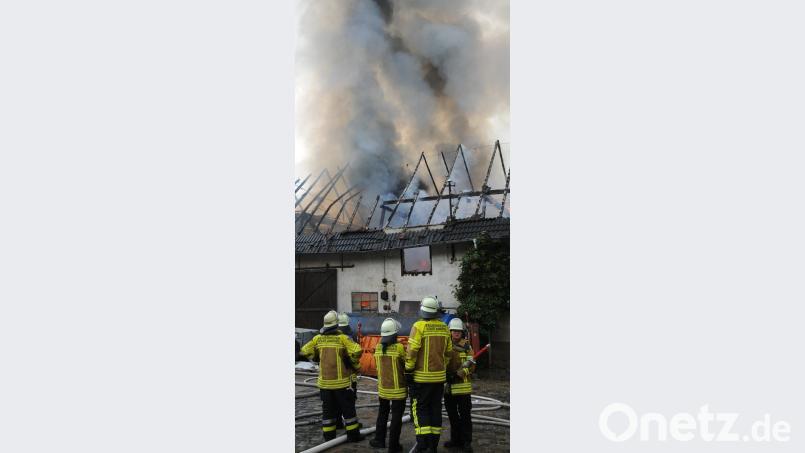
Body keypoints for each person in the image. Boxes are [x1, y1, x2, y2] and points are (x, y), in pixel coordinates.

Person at [300, 310, 365, 443]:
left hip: (325, 384)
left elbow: (305, 350)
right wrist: (350, 360)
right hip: (341, 384)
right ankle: (353, 435)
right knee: (348, 411)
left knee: (328, 412)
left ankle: (329, 438)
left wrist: (317, 357)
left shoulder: (318, 339)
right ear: (337, 325)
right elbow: (357, 350)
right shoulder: (343, 338)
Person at [406, 296, 452, 452]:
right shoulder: (445, 327)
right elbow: (448, 353)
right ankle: (433, 446)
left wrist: (409, 370)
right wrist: (441, 368)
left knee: (420, 408)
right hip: (439, 378)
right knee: (435, 409)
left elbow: (412, 351)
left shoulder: (418, 326)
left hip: (421, 378)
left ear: (423, 310)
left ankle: (422, 443)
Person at [369, 318, 406, 452]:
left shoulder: (378, 347)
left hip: (383, 389)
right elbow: (406, 365)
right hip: (398, 390)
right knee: (396, 418)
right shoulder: (400, 348)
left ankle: (379, 440)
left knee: (382, 414)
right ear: (395, 334)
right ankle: (393, 446)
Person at [444, 318, 475, 452]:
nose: (456, 333)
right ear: (450, 332)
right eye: (453, 331)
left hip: (463, 389)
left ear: (462, 332)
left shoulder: (467, 347)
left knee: (465, 417)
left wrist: (460, 374)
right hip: (449, 388)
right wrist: (446, 375)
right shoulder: (446, 345)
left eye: (458, 331)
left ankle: (466, 443)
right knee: (452, 416)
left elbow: (472, 367)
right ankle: (455, 440)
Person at [334, 312, 359, 430]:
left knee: (336, 402)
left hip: (334, 376)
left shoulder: (331, 337)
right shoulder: (351, 336)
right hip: (349, 377)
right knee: (349, 402)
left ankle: (338, 423)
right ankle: (352, 426)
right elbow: (356, 353)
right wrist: (355, 367)